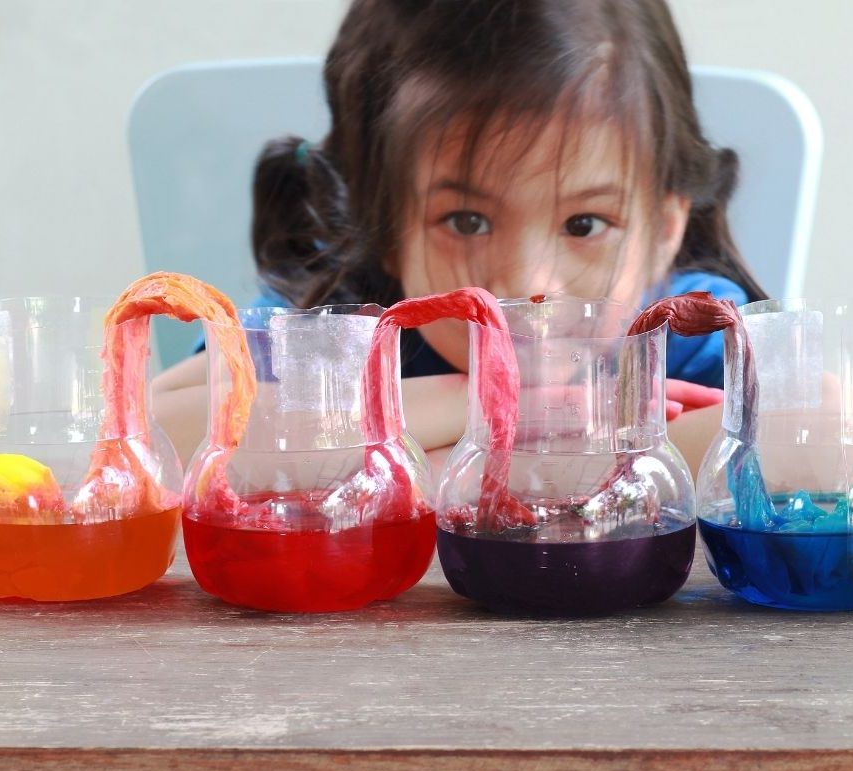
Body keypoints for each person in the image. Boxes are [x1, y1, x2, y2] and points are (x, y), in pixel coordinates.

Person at [153, 0, 767, 474]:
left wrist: (434, 462)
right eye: (467, 220)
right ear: (386, 226)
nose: (529, 284)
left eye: (584, 224)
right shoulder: (329, 328)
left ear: (663, 230)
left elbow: (826, 439)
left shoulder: (681, 331)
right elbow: (157, 429)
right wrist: (487, 407)